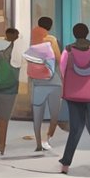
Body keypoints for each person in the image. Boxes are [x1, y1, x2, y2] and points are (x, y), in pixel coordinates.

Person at [58, 23, 90, 176]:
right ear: (87, 33)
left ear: (74, 34)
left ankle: (65, 164)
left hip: (74, 95)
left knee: (75, 129)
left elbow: (62, 69)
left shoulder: (68, 50)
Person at [26, 21, 62, 152]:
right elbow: (58, 59)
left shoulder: (32, 40)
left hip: (37, 83)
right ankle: (47, 139)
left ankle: (38, 144)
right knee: (55, 114)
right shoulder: (51, 40)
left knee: (37, 115)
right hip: (54, 82)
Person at [0, 28, 22, 157]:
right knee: (4, 119)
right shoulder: (19, 50)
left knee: (1, 118)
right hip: (11, 88)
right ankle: (2, 146)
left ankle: (1, 146)